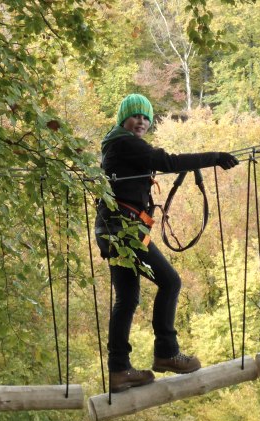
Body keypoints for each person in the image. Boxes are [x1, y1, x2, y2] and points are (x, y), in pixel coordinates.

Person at [95, 94, 239, 393]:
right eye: (136, 116)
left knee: (128, 299)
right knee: (171, 282)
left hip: (114, 231)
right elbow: (167, 162)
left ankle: (120, 370)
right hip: (124, 230)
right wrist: (215, 157)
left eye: (146, 118)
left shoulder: (118, 145)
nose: (142, 122)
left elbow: (158, 164)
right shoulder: (124, 143)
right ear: (123, 119)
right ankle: (166, 352)